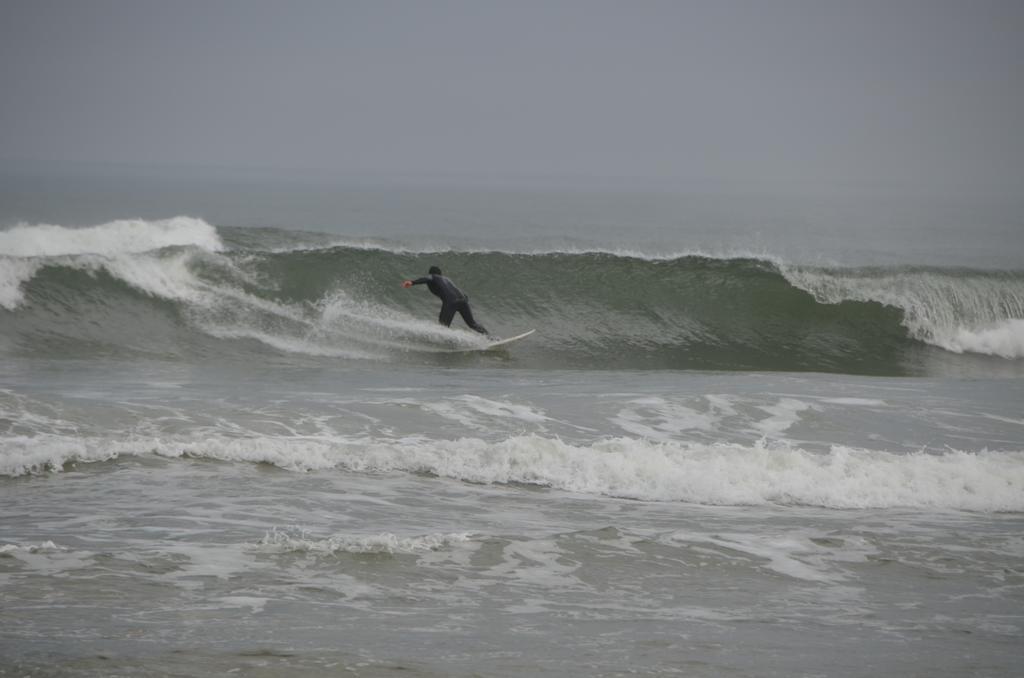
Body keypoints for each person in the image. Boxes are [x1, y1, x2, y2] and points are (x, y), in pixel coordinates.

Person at [402, 266, 489, 335]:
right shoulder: (447, 279)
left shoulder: (433, 276)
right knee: (472, 324)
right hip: (463, 300)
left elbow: (427, 278)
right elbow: (465, 296)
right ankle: (490, 337)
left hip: (451, 302)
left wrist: (412, 282)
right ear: (441, 273)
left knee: (442, 327)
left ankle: (443, 343)